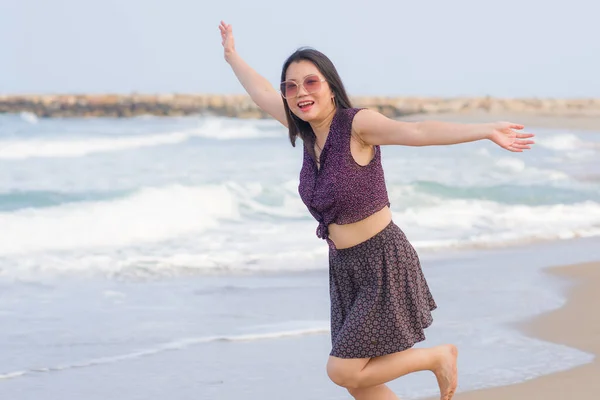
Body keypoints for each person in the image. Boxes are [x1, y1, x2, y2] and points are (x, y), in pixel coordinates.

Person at [218, 20, 535, 400]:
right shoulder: (306, 134)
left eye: (310, 82)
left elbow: (417, 132)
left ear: (331, 87)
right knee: (358, 381)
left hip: (382, 261)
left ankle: (438, 357)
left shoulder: (357, 125)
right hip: (344, 269)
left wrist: (484, 130)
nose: (300, 91)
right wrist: (232, 56)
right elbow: (260, 92)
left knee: (342, 370)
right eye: (291, 86)